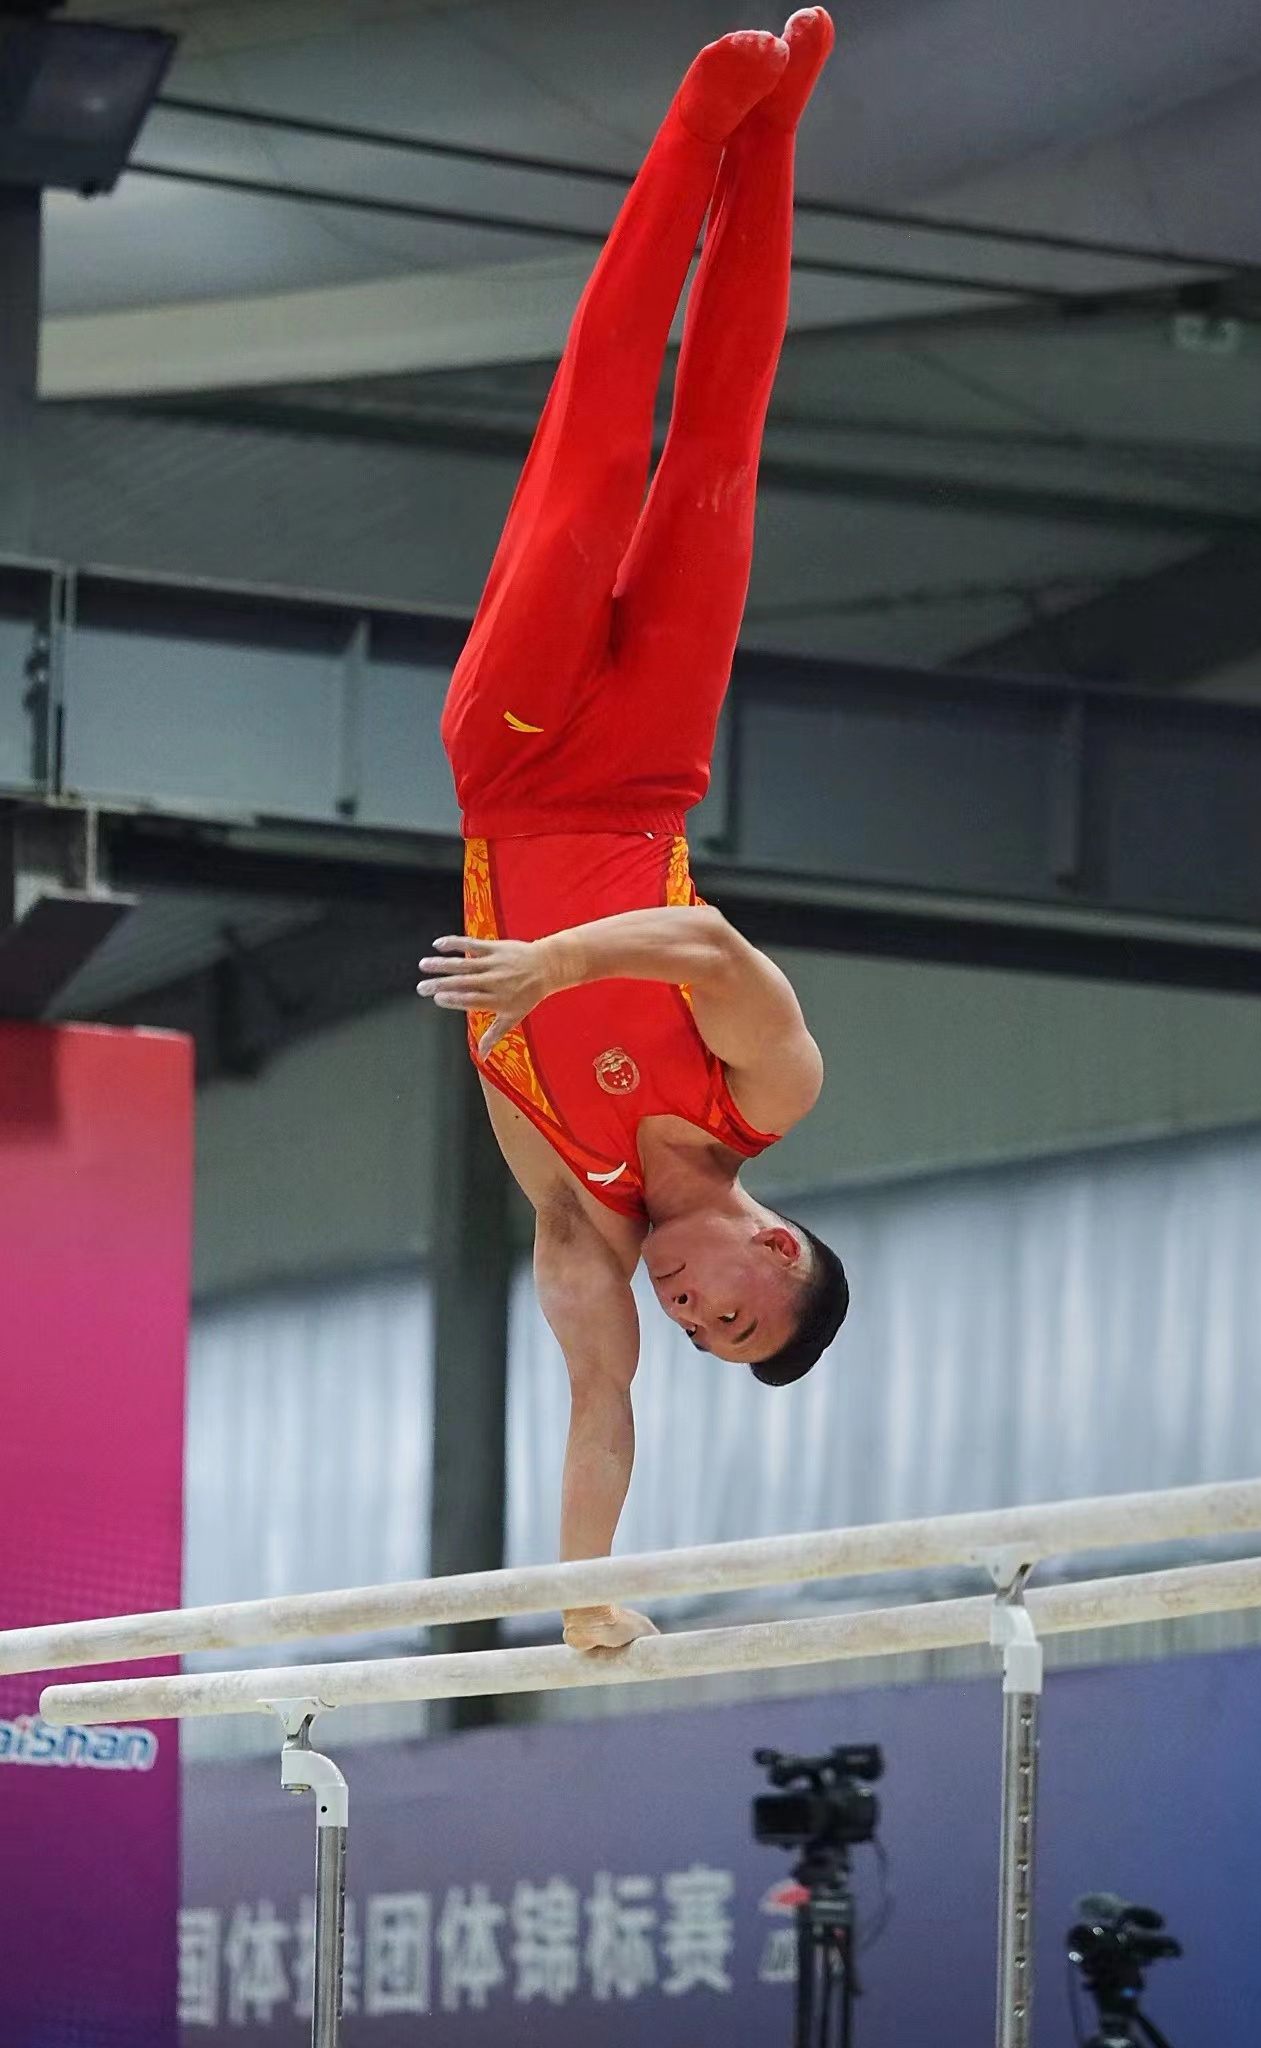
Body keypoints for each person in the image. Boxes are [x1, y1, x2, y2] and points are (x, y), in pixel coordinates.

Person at [419, 12, 847, 1652]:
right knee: (718, 441)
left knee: (599, 441)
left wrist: (586, 1602)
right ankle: (768, 128)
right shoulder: (770, 1089)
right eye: (732, 1315)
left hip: (513, 758)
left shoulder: (572, 1210)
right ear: (774, 1243)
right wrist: (551, 968)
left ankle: (701, 122)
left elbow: (601, 1406)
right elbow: (705, 944)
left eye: (706, 1341)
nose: (690, 1318)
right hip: (654, 770)